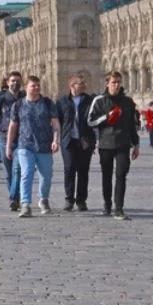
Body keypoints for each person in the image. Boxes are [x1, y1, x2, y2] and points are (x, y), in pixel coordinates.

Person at [87, 71, 140, 220]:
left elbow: (132, 125)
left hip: (123, 144)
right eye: (113, 82)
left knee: (121, 175)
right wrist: (106, 117)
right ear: (107, 83)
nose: (116, 85)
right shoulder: (99, 100)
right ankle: (107, 204)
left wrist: (136, 144)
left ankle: (119, 208)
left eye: (118, 82)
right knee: (107, 176)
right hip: (106, 144)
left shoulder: (128, 102)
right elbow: (90, 121)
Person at [6, 76, 60, 217]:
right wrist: (8, 146)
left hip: (44, 145)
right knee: (26, 173)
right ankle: (25, 204)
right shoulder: (18, 105)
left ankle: (43, 199)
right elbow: (13, 126)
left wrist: (56, 140)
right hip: (25, 144)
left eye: (38, 85)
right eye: (33, 86)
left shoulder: (47, 103)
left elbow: (55, 124)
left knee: (46, 175)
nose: (36, 88)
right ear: (26, 87)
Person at [56, 75, 95, 211]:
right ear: (72, 86)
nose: (84, 85)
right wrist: (57, 138)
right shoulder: (62, 102)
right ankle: (69, 199)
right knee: (69, 169)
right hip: (68, 140)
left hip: (85, 140)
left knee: (83, 171)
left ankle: (81, 200)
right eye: (81, 83)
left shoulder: (90, 100)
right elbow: (57, 122)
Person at [0, 72, 24, 210]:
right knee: (9, 172)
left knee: (18, 170)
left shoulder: (24, 97)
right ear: (8, 82)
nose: (15, 83)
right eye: (12, 81)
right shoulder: (2, 98)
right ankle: (15, 196)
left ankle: (14, 198)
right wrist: (1, 128)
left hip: (22, 138)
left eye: (17, 81)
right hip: (5, 139)